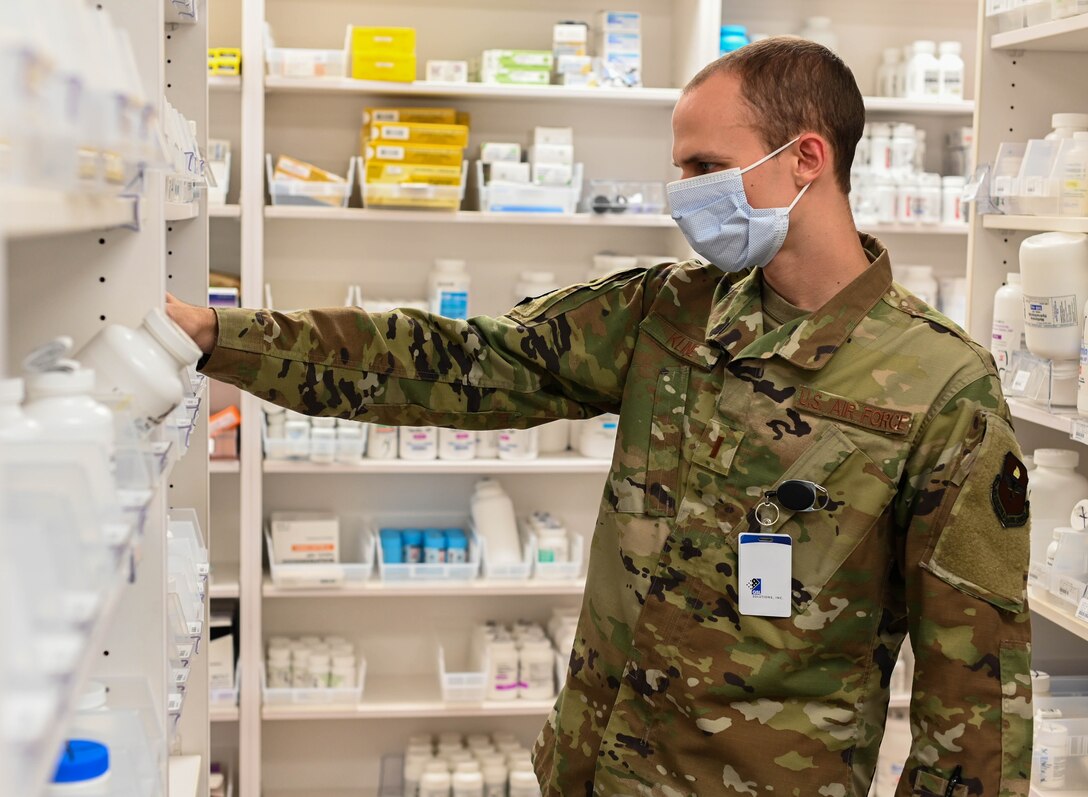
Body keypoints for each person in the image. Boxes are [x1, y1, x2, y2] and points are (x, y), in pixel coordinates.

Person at [169, 37, 1031, 797]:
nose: (682, 192)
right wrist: (222, 335)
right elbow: (460, 362)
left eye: (703, 168)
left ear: (805, 157)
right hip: (593, 769)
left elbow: (977, 705)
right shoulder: (669, 313)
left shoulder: (941, 386)